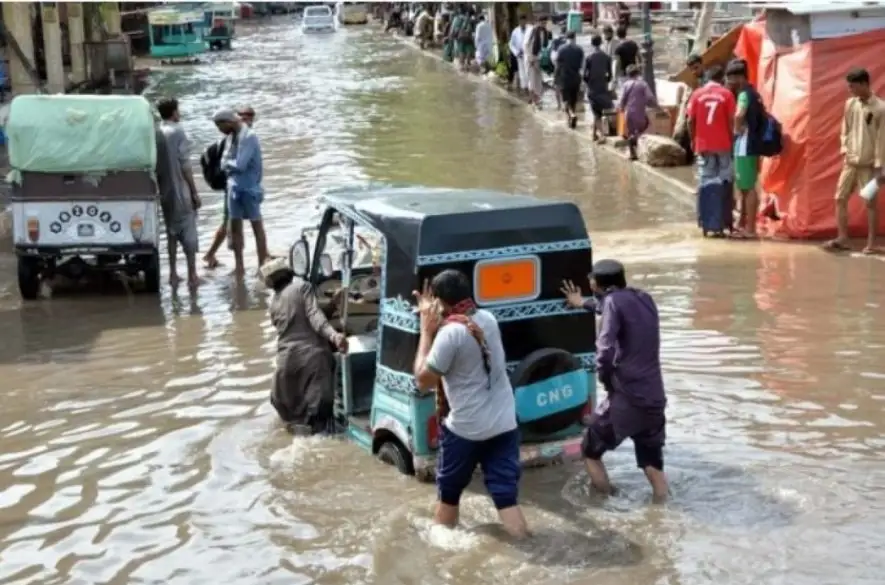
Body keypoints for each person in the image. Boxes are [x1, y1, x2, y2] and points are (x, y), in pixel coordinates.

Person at [412, 270, 529, 540]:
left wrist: (425, 331)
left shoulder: (450, 334)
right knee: (505, 497)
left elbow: (422, 380)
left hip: (466, 429)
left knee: (449, 492)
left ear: (441, 303)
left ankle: (441, 550)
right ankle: (527, 543)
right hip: (504, 424)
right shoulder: (488, 319)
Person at [561, 260, 668, 503]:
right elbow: (611, 308)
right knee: (652, 463)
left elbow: (605, 349)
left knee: (589, 451)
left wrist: (606, 382)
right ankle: (662, 508)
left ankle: (605, 503)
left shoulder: (611, 302)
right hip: (654, 398)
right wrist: (583, 303)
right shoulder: (644, 298)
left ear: (596, 284)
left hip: (627, 398)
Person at [261, 257, 348, 435]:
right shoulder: (303, 287)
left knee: (298, 429)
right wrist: (334, 336)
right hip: (313, 361)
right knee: (322, 428)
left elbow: (296, 321)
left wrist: (331, 306)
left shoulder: (274, 305)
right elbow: (314, 315)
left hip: (286, 366)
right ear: (288, 273)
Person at [824, 67, 885, 254]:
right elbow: (846, 129)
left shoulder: (881, 108)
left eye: (853, 86)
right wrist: (844, 149)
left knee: (870, 203)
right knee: (840, 198)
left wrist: (879, 167)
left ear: (865, 84)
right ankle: (843, 237)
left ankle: (872, 243)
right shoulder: (850, 104)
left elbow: (882, 140)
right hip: (850, 163)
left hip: (869, 166)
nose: (850, 90)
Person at [213, 108, 271, 279]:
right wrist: (228, 164)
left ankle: (261, 265)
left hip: (249, 188)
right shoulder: (231, 137)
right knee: (235, 227)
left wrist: (228, 164)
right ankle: (239, 266)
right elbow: (224, 162)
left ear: (227, 122)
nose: (220, 131)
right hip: (233, 188)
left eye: (220, 127)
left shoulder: (249, 136)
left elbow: (240, 164)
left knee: (257, 226)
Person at [203, 106, 257, 270]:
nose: (247, 119)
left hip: (240, 185)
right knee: (231, 222)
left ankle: (213, 254)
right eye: (244, 116)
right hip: (233, 185)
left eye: (250, 117)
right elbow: (235, 163)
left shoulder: (243, 135)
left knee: (231, 222)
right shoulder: (234, 136)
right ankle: (212, 255)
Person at [156, 97, 201, 288]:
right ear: (174, 112)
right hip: (180, 190)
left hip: (164, 192)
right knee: (188, 231)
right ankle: (192, 275)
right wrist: (194, 191)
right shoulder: (178, 131)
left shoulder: (157, 132)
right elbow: (185, 166)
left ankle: (173, 274)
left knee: (171, 232)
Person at [687, 65, 736, 237]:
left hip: (704, 145)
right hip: (723, 144)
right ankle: (724, 222)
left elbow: (690, 120)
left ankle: (706, 221)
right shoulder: (727, 95)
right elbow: (732, 122)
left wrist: (693, 140)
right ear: (721, 78)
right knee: (725, 181)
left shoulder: (697, 94)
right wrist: (732, 142)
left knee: (705, 181)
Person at [726, 61, 764, 240]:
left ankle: (750, 229)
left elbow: (739, 114)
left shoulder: (743, 95)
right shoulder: (755, 93)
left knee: (748, 188)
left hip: (745, 146)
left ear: (739, 77)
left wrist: (736, 128)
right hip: (753, 145)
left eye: (731, 77)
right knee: (745, 186)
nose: (730, 81)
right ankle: (744, 223)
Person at [618, 64, 658, 160]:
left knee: (631, 132)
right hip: (640, 114)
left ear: (628, 74)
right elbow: (650, 98)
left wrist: (622, 108)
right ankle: (637, 147)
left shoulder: (626, 85)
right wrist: (656, 106)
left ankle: (633, 152)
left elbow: (622, 99)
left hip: (629, 114)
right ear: (638, 73)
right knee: (644, 126)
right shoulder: (643, 84)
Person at [584, 34, 614, 142]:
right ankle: (594, 134)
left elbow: (585, 76)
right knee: (598, 113)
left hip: (593, 89)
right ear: (601, 43)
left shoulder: (589, 57)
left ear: (592, 44)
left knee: (596, 113)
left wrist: (590, 83)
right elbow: (610, 75)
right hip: (602, 88)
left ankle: (601, 135)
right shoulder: (607, 57)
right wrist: (604, 82)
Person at [555, 31, 584, 130]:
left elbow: (558, 66)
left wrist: (555, 78)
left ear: (566, 38)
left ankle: (571, 115)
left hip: (565, 78)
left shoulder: (561, 49)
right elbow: (581, 66)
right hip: (576, 77)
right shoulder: (579, 49)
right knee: (574, 99)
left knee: (566, 100)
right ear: (575, 38)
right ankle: (571, 122)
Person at [523, 15, 549, 109]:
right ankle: (533, 100)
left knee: (538, 80)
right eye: (542, 23)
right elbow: (525, 45)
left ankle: (537, 99)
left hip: (539, 58)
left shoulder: (545, 32)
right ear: (538, 22)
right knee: (532, 80)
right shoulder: (532, 31)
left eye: (545, 23)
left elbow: (544, 47)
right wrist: (530, 58)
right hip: (530, 58)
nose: (544, 24)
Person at [613, 26, 639, 90]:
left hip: (623, 74)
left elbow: (616, 63)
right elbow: (640, 57)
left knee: (625, 92)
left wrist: (614, 77)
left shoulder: (618, 48)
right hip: (634, 72)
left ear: (617, 35)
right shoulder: (633, 44)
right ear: (626, 33)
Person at [508, 15, 528, 92]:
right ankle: (524, 89)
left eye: (524, 21)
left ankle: (527, 89)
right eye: (521, 21)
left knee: (528, 73)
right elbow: (511, 44)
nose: (523, 23)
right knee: (521, 72)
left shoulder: (529, 30)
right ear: (519, 22)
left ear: (526, 21)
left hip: (527, 54)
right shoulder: (515, 31)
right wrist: (516, 52)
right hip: (519, 54)